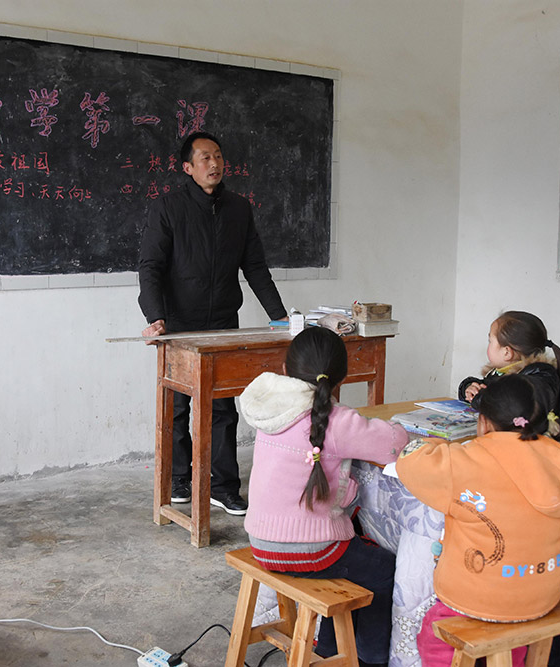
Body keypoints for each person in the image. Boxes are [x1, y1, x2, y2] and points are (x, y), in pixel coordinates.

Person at [397, 374, 560, 667]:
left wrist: (432, 443)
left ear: (483, 423)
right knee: (510, 643)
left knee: (433, 636)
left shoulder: (465, 460)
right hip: (540, 596)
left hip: (471, 596)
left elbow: (409, 460)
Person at [239, 326, 409, 667]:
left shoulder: (270, 408)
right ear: (341, 377)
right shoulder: (338, 421)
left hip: (260, 541)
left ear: (285, 369)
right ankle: (370, 659)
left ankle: (330, 649)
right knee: (384, 569)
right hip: (312, 550)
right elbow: (395, 443)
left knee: (354, 563)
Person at [138, 131, 287, 515]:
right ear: (188, 167)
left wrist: (280, 317)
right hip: (179, 324)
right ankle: (179, 479)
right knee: (177, 407)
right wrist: (155, 318)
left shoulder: (239, 208)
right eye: (205, 157)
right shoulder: (168, 208)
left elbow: (255, 267)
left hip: (222, 322)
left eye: (218, 156)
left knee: (223, 407)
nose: (214, 163)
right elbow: (150, 267)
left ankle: (223, 486)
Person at [457, 311, 560, 436]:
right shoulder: (501, 372)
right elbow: (488, 387)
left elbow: (508, 405)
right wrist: (470, 388)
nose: (488, 345)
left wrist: (479, 397)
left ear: (507, 352)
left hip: (534, 440)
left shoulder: (540, 377)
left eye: (490, 341)